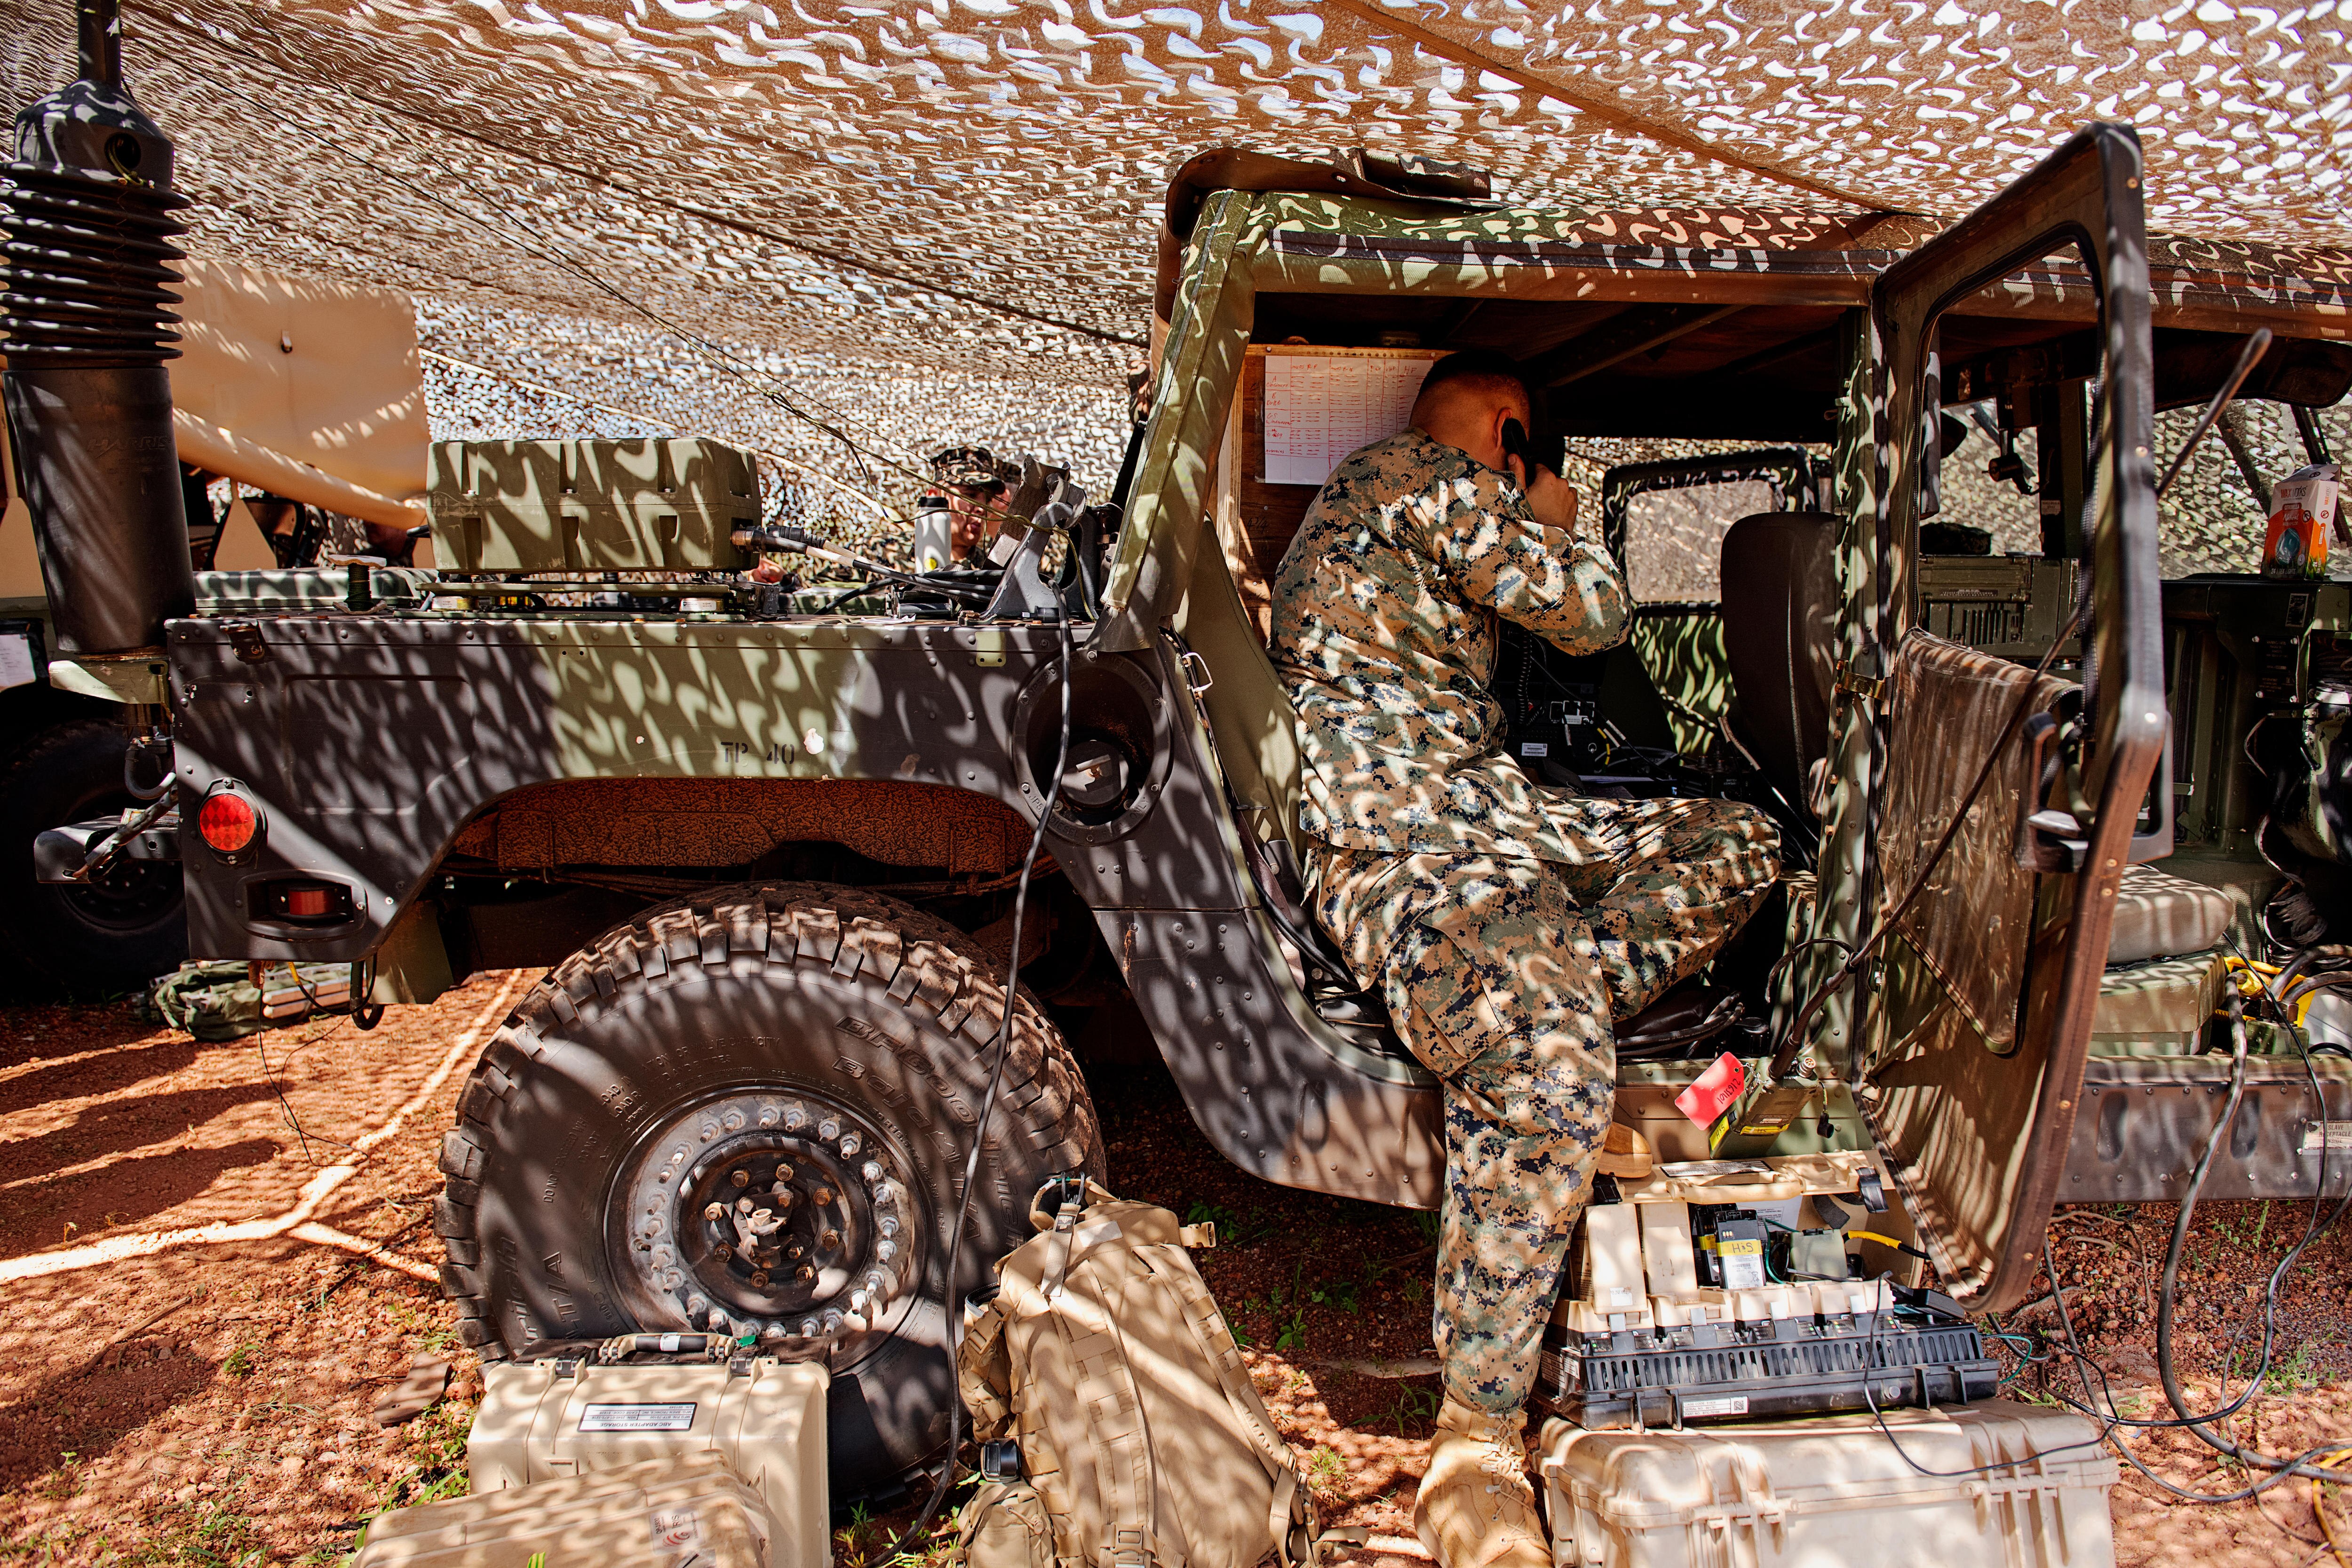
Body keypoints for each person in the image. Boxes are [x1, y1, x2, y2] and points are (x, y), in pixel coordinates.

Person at [1266, 350, 1780, 1568]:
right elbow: (1595, 615)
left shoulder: (1377, 498)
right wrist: (1558, 516)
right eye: (1526, 458)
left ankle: (1540, 999)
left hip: (1486, 813)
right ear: (1508, 435)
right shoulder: (1422, 476)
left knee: (1740, 837)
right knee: (1553, 1076)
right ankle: (1478, 1433)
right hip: (1406, 843)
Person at [928, 445, 1016, 563]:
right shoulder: (898, 554)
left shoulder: (994, 567)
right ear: (935, 496)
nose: (982, 509)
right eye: (971, 495)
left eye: (988, 499)